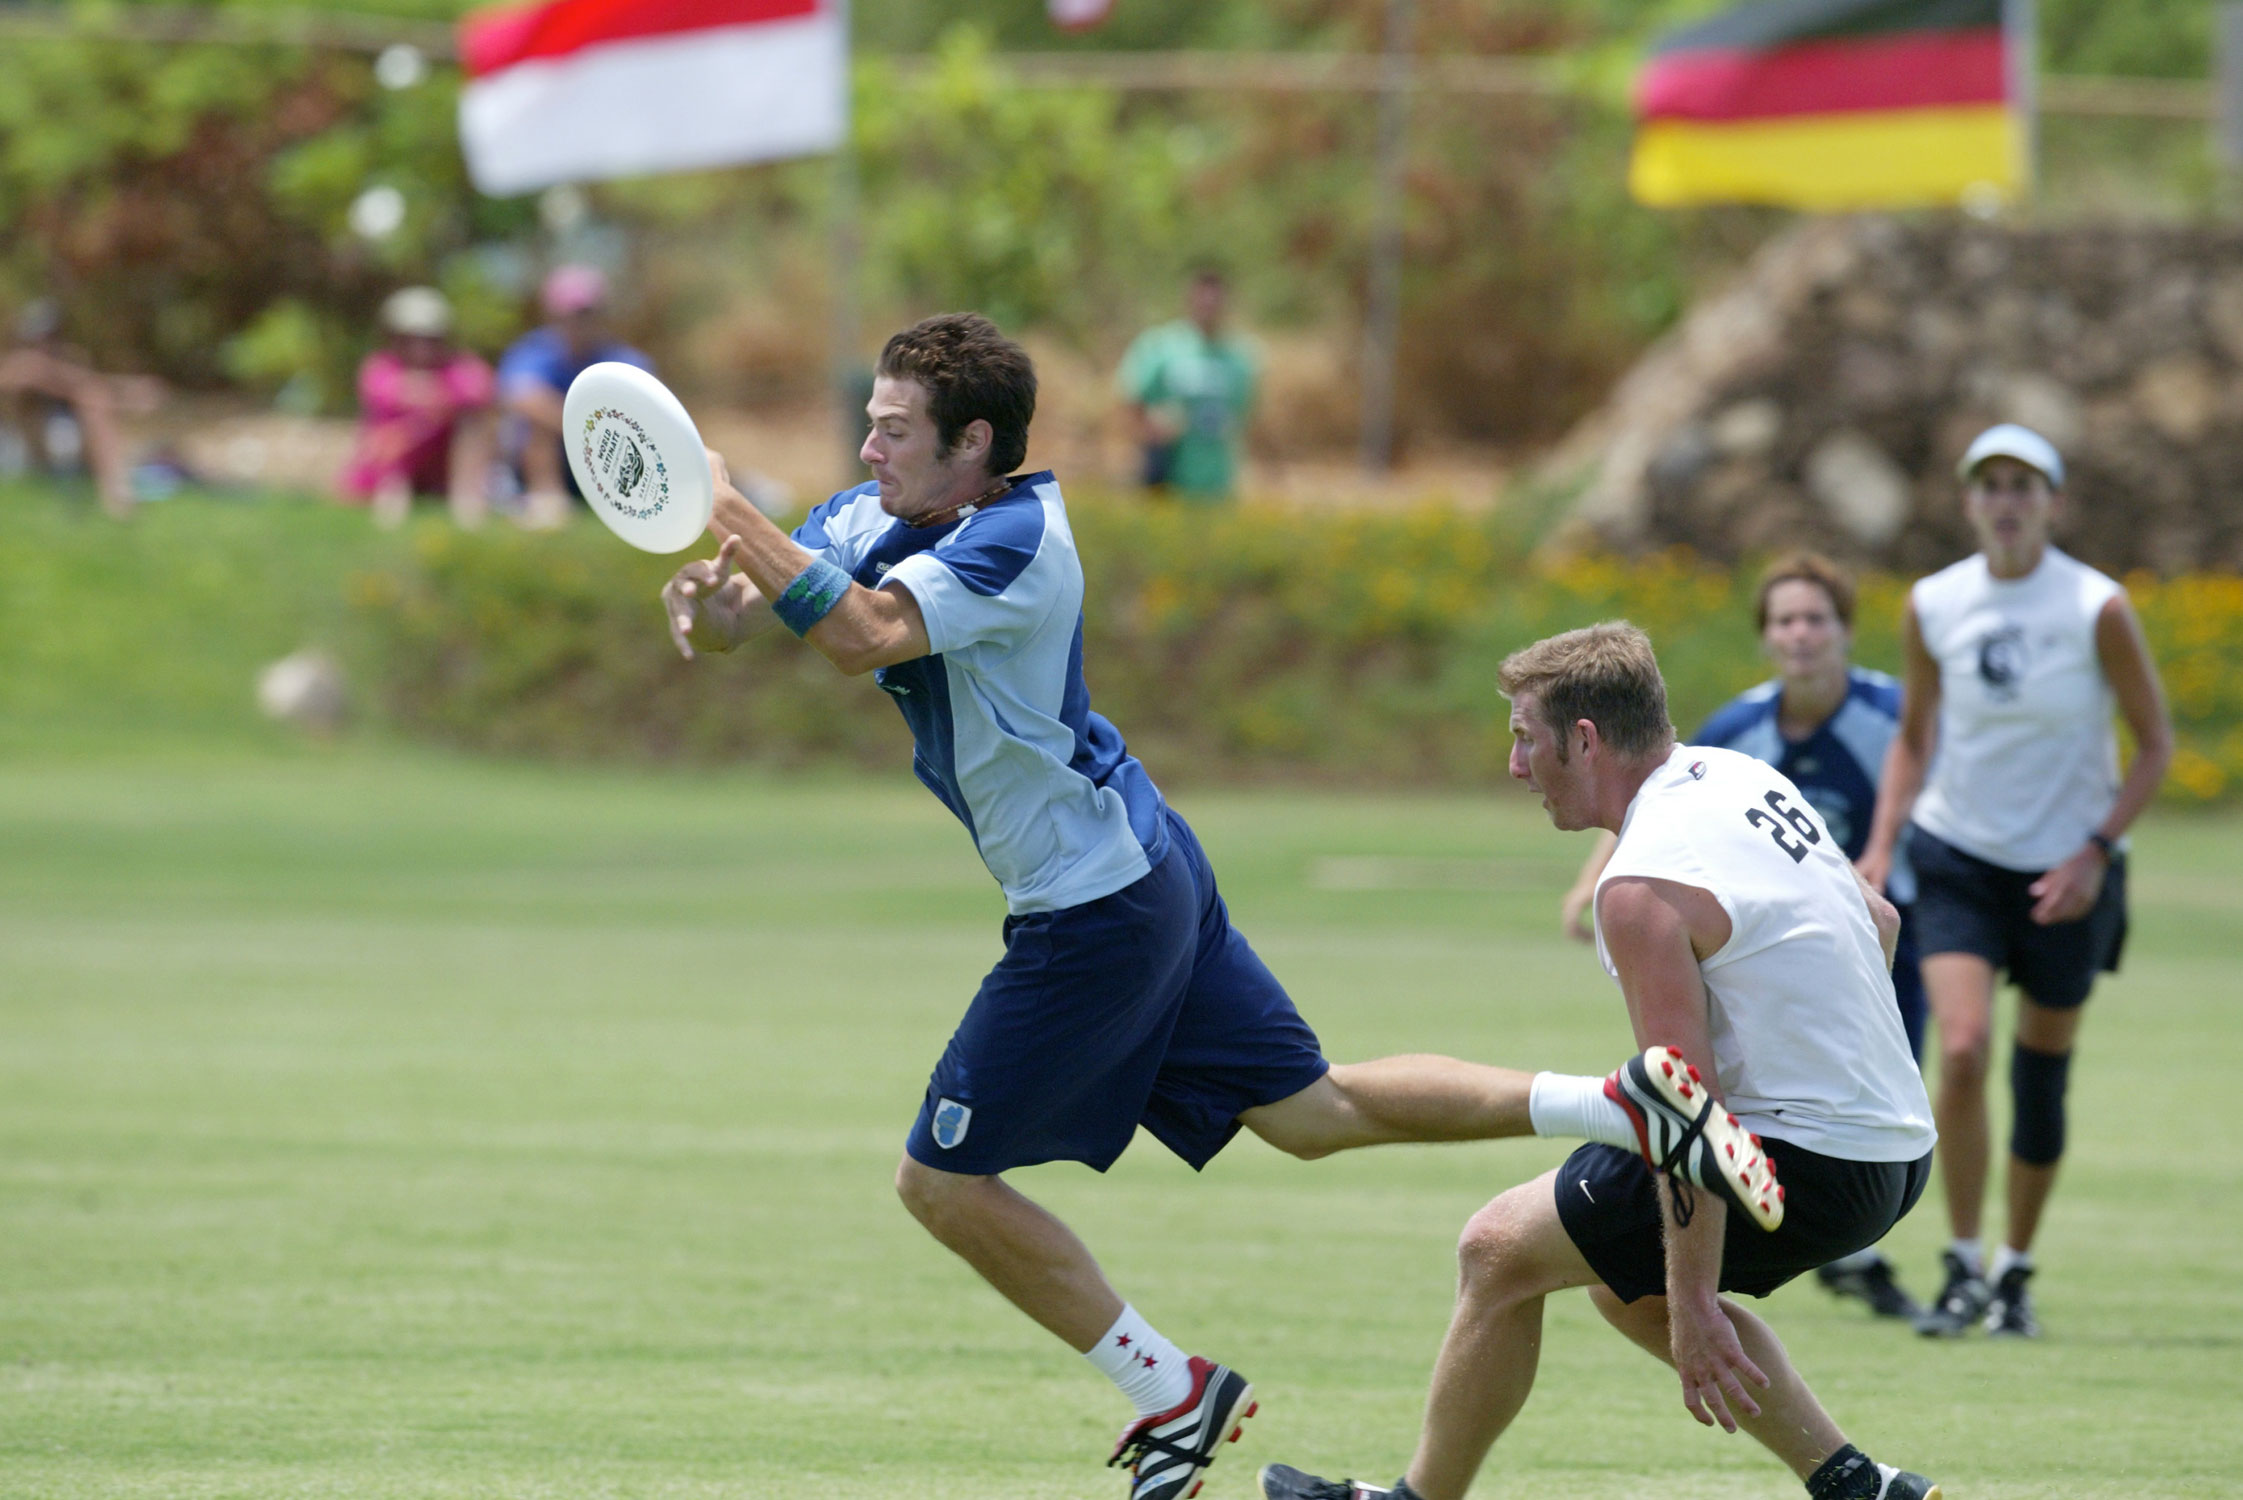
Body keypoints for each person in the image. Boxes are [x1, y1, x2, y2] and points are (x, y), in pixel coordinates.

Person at [658, 315, 1777, 1500]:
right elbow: (790, 599)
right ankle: (1626, 1106)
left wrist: (722, 504)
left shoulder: (1019, 536)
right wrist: (723, 608)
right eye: (869, 427)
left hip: (1092, 909)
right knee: (1311, 1112)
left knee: (937, 1182)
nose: (867, 449)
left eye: (892, 431)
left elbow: (862, 631)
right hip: (1141, 860)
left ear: (971, 443)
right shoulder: (873, 509)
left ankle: (1170, 1392)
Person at [1261, 622, 1940, 1500]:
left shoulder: (1639, 886)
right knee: (1620, 1281)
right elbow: (1877, 921)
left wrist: (1696, 1311)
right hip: (1894, 1147)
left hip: (1800, 1163)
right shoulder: (1740, 775)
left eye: (1522, 739)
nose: (1515, 767)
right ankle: (1857, 1487)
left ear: (1582, 740)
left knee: (1498, 1248)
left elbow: (1685, 1108)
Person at [1858, 424, 2172, 1340]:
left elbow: (2154, 746)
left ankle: (2014, 1271)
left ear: (2053, 502)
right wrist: (1882, 846)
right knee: (1958, 1049)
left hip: (2066, 871)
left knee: (2040, 1075)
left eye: (2023, 485)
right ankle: (1958, 1264)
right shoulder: (1935, 603)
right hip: (1958, 855)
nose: (2005, 500)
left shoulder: (2095, 605)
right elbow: (1913, 736)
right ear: (1968, 502)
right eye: (1989, 484)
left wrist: (2093, 852)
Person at [1558, 552, 1927, 1320]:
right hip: (1824, 960)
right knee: (1606, 1269)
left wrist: (1887, 854)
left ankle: (1874, 1253)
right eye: (1784, 620)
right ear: (1765, 638)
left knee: (1497, 1247)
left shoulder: (1886, 717)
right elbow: (1646, 799)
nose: (1799, 635)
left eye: (1814, 619)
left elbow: (1886, 903)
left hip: (1866, 938)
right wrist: (1591, 879)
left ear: (1845, 632)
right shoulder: (1737, 736)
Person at [496, 264, 651, 527]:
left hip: (608, 452)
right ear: (552, 316)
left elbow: (647, 407)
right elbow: (522, 398)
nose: (578, 323)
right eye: (571, 315)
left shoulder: (624, 358)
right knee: (537, 426)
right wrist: (588, 425)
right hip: (557, 450)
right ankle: (548, 498)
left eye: (586, 314)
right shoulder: (533, 351)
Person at [339, 287, 496, 529]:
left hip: (443, 469)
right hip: (390, 464)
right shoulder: (380, 366)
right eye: (411, 338)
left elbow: (483, 390)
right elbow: (392, 394)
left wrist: (431, 400)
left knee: (471, 424)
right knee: (396, 437)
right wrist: (441, 400)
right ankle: (391, 507)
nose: (421, 347)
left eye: (431, 339)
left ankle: (467, 502)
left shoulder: (458, 365)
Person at [1117, 268, 1257, 500]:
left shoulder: (1239, 359)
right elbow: (1130, 398)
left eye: (1215, 300)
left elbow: (1243, 416)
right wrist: (1152, 426)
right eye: (1203, 298)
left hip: (1217, 484)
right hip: (1167, 480)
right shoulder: (1161, 345)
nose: (1209, 306)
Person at [0, 299, 138, 517]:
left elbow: (91, 383)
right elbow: (48, 379)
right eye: (42, 336)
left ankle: (116, 489)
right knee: (94, 397)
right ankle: (116, 491)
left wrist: (130, 391)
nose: (47, 342)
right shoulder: (19, 365)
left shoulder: (69, 359)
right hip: (21, 445)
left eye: (51, 335)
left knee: (95, 399)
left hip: (63, 438)